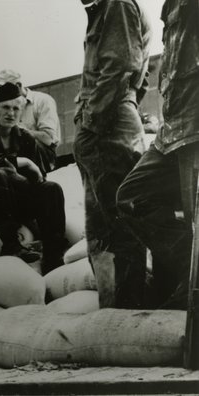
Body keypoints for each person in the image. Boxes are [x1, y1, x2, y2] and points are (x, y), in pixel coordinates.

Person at [117, 0, 199, 309]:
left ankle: (189, 288)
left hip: (196, 130)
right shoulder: (170, 7)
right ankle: (188, 269)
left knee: (196, 215)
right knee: (131, 196)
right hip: (171, 132)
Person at [73, 0, 151, 308]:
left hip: (106, 128)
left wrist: (92, 121)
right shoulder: (105, 9)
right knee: (101, 229)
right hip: (108, 124)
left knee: (119, 225)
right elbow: (136, 77)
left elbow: (120, 66)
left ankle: (126, 313)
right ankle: (113, 315)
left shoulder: (116, 4)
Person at [0, 82, 67, 274]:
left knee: (51, 189)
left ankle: (53, 256)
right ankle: (11, 247)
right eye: (5, 107)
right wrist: (25, 163)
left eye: (16, 108)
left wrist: (35, 179)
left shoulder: (25, 138)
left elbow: (38, 178)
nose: (11, 113)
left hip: (13, 204)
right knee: (0, 174)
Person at [0, 69, 61, 149]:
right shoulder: (4, 105)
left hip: (41, 155)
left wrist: (18, 132)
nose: (1, 94)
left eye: (5, 90)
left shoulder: (43, 101)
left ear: (18, 86)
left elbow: (49, 139)